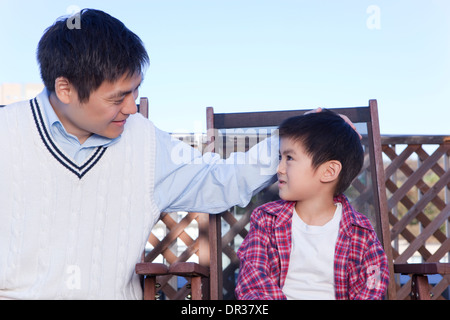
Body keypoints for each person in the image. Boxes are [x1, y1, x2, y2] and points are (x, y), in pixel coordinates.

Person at [0, 9, 279, 300]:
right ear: (65, 89)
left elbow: (222, 180)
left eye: (135, 91)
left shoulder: (144, 142)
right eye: (118, 97)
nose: (132, 107)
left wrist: (292, 138)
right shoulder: (7, 136)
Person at [235, 110, 389, 300]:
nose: (279, 169)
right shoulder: (266, 220)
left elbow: (373, 283)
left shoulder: (361, 232)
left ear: (329, 171)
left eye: (289, 158)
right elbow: (253, 279)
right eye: (280, 158)